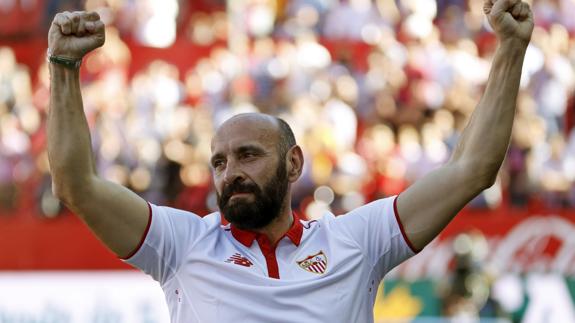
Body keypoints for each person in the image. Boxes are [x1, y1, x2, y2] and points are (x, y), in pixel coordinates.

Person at [46, 0, 533, 322]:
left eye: (249, 155)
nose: (230, 171)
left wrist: (511, 48)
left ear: (294, 164)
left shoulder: (355, 242)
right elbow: (76, 185)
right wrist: (64, 69)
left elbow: (472, 169)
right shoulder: (181, 243)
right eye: (218, 162)